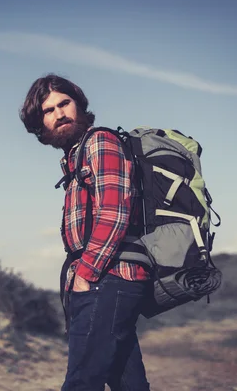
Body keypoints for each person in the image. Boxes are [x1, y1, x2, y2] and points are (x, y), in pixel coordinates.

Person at [19, 73, 153, 391]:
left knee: (81, 381)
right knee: (129, 383)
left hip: (108, 278)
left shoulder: (100, 142)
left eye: (64, 103)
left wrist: (86, 275)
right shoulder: (75, 158)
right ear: (41, 125)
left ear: (79, 105)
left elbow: (114, 212)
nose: (59, 113)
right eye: (48, 111)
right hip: (106, 279)